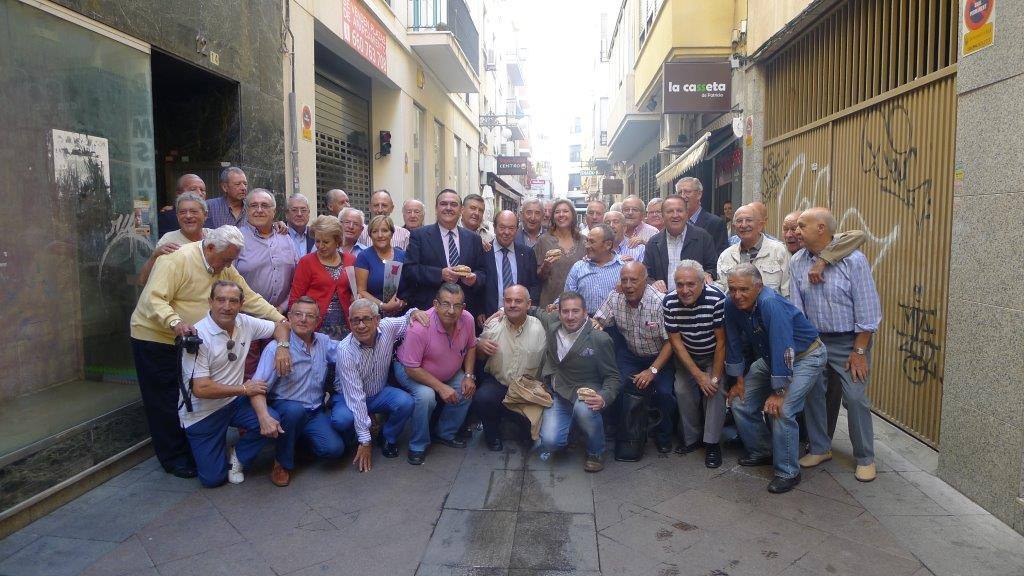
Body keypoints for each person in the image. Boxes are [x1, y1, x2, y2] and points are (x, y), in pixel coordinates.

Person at [130, 226, 288, 479]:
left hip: (191, 339)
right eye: (227, 259)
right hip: (156, 337)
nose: (229, 264)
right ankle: (174, 458)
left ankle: (196, 448)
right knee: (165, 401)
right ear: (210, 247)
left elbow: (248, 296)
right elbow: (153, 299)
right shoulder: (177, 258)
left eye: (232, 260)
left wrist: (280, 320)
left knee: (187, 394)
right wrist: (174, 322)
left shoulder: (223, 264)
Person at [790, 207, 881, 482]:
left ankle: (865, 456)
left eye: (802, 226)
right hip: (814, 339)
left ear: (821, 229)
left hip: (849, 341)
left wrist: (859, 351)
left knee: (855, 398)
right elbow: (797, 307)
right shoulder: (797, 261)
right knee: (814, 394)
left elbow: (868, 309)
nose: (796, 231)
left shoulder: (854, 260)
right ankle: (820, 447)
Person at [724, 264, 828, 494]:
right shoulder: (730, 303)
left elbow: (784, 347)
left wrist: (779, 391)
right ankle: (763, 449)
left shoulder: (771, 303)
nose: (737, 295)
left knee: (781, 410)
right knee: (740, 401)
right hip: (771, 358)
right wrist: (737, 379)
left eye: (743, 289)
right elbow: (733, 342)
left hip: (804, 356)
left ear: (758, 287)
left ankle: (788, 471)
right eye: (732, 289)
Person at [178, 281, 293, 488]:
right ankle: (212, 446)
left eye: (233, 301)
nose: (227, 306)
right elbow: (201, 388)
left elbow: (281, 325)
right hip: (202, 412)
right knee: (213, 479)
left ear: (241, 304)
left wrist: (282, 347)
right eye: (220, 300)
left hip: (233, 403)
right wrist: (244, 389)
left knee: (271, 420)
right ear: (210, 302)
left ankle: (237, 455)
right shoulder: (197, 336)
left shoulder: (244, 322)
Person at [249, 297, 346, 487]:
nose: (303, 319)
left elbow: (347, 351)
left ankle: (296, 443)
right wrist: (263, 416)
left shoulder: (324, 342)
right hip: (286, 408)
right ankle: (281, 463)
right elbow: (257, 387)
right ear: (289, 318)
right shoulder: (275, 349)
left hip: (314, 411)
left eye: (310, 316)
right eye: (298, 314)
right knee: (295, 411)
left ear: (318, 321)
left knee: (334, 450)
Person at [335, 300, 428, 471]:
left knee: (406, 403)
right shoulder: (344, 350)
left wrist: (414, 311)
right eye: (356, 320)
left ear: (377, 319)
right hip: (348, 396)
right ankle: (352, 440)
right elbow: (356, 398)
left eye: (366, 319)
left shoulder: (387, 327)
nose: (361, 325)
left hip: (378, 392)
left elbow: (408, 317)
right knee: (342, 420)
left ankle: (388, 437)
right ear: (350, 322)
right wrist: (365, 441)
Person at [593, 262, 675, 454]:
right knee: (616, 385)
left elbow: (671, 342)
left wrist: (652, 370)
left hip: (659, 354)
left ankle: (663, 435)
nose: (628, 285)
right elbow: (599, 320)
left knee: (664, 393)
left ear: (645, 282)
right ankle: (621, 429)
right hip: (630, 353)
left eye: (634, 280)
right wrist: (595, 325)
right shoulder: (616, 297)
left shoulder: (659, 302)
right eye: (624, 280)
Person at [537, 291, 620, 472]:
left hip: (586, 393)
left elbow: (613, 377)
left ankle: (596, 451)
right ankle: (571, 432)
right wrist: (503, 310)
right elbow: (534, 311)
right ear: (558, 313)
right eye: (565, 311)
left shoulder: (600, 339)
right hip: (559, 392)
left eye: (575, 311)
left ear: (585, 313)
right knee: (550, 443)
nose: (570, 316)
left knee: (584, 410)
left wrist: (604, 397)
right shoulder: (552, 323)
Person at [394, 284, 477, 465]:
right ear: (435, 304)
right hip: (412, 370)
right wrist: (441, 387)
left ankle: (445, 433)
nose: (451, 310)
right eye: (446, 304)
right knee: (426, 396)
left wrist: (469, 375)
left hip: (448, 370)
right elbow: (411, 368)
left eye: (457, 305)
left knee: (466, 389)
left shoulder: (467, 319)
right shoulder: (420, 327)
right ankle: (418, 444)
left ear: (463, 307)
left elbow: (471, 346)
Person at [663, 260, 727, 467]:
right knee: (681, 389)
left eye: (690, 284)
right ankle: (692, 438)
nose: (684, 290)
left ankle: (712, 443)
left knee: (714, 391)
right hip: (687, 356)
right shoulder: (669, 301)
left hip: (712, 354)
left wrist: (713, 377)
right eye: (679, 284)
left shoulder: (717, 299)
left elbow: (721, 342)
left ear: (702, 283)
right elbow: (676, 342)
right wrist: (698, 376)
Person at [473, 285, 547, 451]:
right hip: (499, 382)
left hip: (527, 388)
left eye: (518, 301)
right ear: (503, 303)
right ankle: (492, 434)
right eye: (508, 300)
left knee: (530, 438)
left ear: (529, 305)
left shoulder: (541, 328)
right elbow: (479, 358)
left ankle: (517, 423)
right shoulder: (492, 326)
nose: (512, 304)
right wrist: (479, 346)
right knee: (483, 398)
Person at [399, 189, 488, 318]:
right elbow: (409, 270)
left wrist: (474, 278)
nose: (448, 208)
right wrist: (440, 274)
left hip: (465, 311)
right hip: (429, 310)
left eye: (453, 204)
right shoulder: (419, 236)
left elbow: (483, 272)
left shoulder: (473, 239)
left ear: (461, 210)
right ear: (436, 208)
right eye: (443, 204)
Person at [289, 215, 356, 341]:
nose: (320, 246)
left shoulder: (350, 260)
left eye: (326, 242)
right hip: (315, 328)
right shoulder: (306, 262)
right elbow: (295, 299)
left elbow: (356, 291)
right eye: (317, 241)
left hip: (346, 327)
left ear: (337, 241)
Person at [235, 189, 296, 311]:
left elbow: (296, 279)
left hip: (281, 315)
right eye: (254, 206)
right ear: (246, 211)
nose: (259, 210)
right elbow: (227, 281)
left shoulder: (286, 238)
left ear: (274, 211)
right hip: (248, 317)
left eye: (264, 205)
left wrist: (283, 306)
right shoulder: (236, 239)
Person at [643, 195, 718, 292]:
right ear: (662, 215)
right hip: (664, 301)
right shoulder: (653, 242)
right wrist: (653, 282)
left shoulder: (703, 237)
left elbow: (713, 267)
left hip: (695, 299)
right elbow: (645, 274)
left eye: (679, 211)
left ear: (687, 214)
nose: (675, 215)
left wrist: (708, 274)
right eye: (670, 211)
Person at [476, 210, 539, 324]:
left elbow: (534, 285)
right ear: (494, 228)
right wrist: (479, 310)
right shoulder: (482, 251)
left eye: (511, 228)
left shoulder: (527, 253)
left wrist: (529, 310)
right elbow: (477, 284)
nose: (506, 232)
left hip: (521, 317)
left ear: (517, 229)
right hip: (490, 317)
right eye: (502, 227)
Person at [716, 204, 791, 297]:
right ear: (734, 227)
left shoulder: (779, 251)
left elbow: (787, 292)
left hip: (770, 310)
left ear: (760, 225)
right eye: (739, 221)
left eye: (749, 220)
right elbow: (722, 291)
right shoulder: (726, 255)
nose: (743, 225)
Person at [139, 191, 211, 285]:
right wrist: (155, 256)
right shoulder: (168, 240)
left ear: (205, 215)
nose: (188, 216)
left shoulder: (213, 238)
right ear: (177, 216)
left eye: (193, 212)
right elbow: (143, 280)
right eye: (182, 212)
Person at [534, 198, 586, 307]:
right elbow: (537, 277)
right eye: (557, 212)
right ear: (553, 217)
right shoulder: (544, 240)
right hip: (550, 302)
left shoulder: (583, 241)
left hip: (578, 303)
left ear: (573, 215)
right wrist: (546, 266)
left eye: (565, 211)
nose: (561, 215)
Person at [564, 224, 623, 313]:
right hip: (584, 322)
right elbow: (568, 297)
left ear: (608, 244)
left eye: (592, 242)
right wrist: (556, 305)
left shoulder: (623, 268)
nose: (587, 246)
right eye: (587, 241)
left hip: (614, 324)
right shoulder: (578, 267)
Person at [355, 215, 407, 315]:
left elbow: (411, 286)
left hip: (402, 314)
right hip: (374, 314)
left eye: (384, 230)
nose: (380, 235)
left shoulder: (403, 256)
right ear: (370, 235)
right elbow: (361, 291)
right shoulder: (364, 257)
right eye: (375, 231)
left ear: (391, 233)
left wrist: (402, 303)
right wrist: (383, 306)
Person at [675, 177, 728, 255]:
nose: (683, 196)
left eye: (687, 192)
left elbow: (720, 258)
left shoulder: (715, 223)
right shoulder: (675, 223)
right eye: (679, 192)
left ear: (699, 194)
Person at [285, 194, 315, 259]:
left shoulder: (315, 235)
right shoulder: (279, 234)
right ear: (287, 214)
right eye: (294, 210)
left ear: (309, 213)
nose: (299, 214)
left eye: (303, 210)